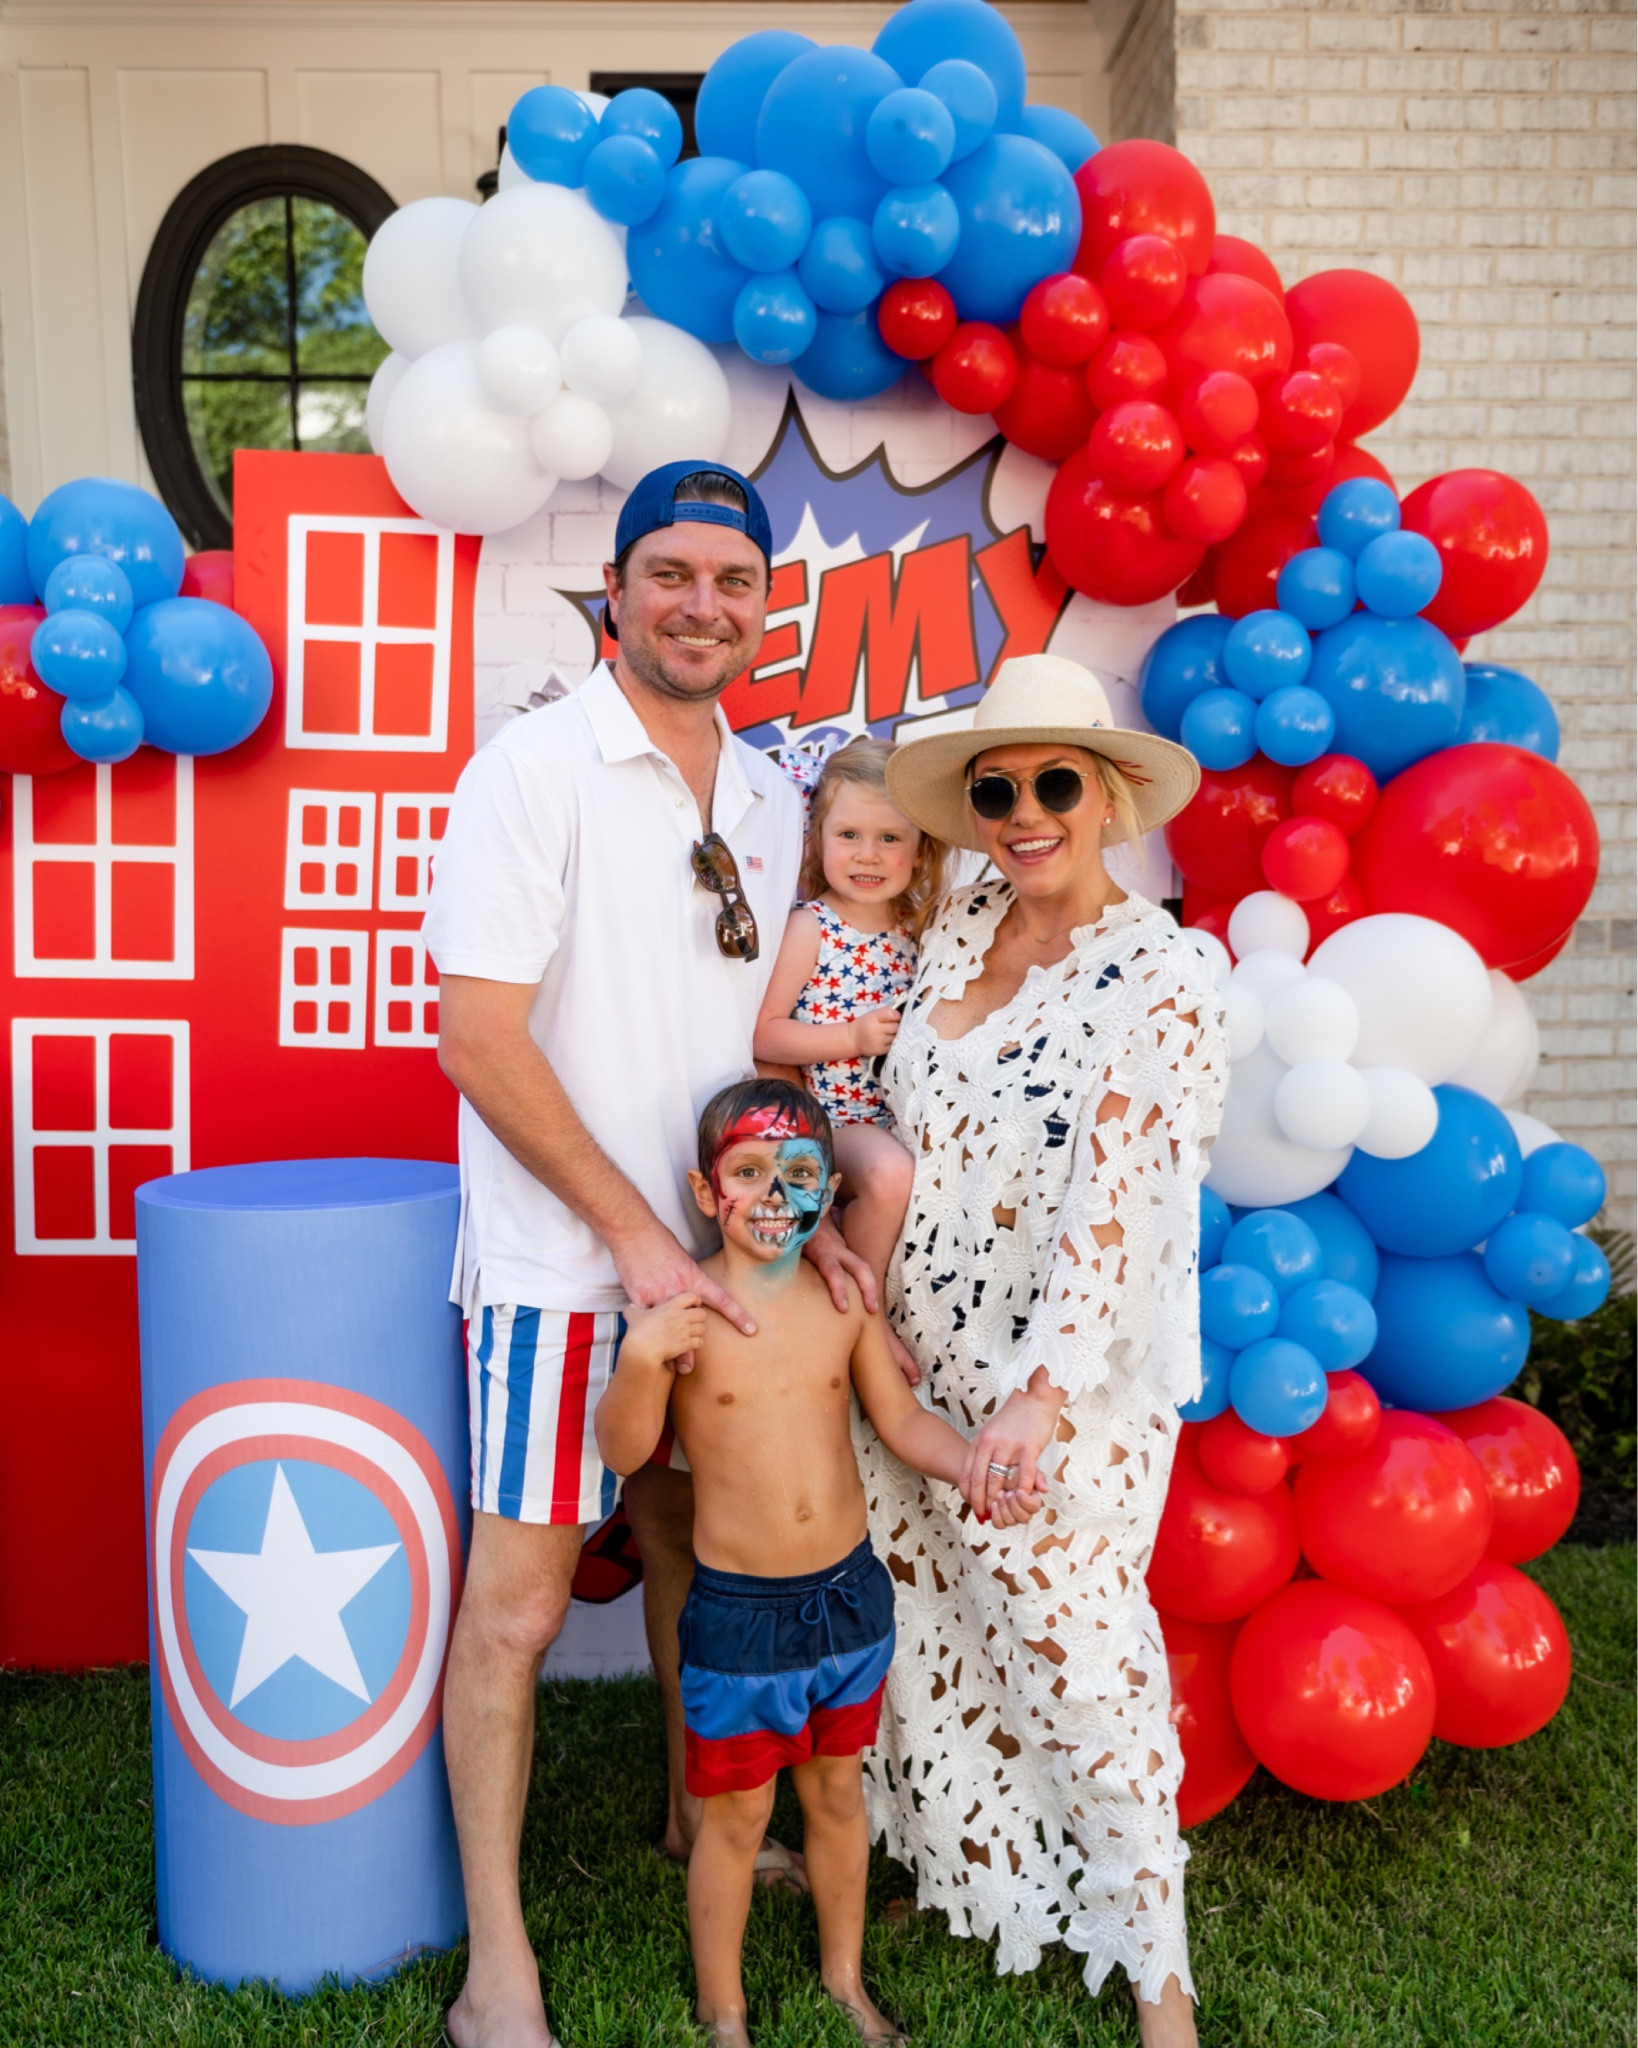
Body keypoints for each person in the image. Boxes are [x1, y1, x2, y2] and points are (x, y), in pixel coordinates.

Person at [423, 461, 873, 2048]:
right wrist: (634, 1239)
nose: (702, 604)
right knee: (521, 1613)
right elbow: (477, 1040)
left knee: (700, 1556)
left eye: (731, 580)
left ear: (766, 606)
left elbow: (768, 1042)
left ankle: (701, 1827)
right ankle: (498, 1967)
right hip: (566, 1273)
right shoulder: (530, 771)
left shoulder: (767, 798)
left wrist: (795, 1231)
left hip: (729, 1277)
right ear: (613, 591)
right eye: (668, 574)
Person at [837, 653, 1227, 2048]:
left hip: (1056, 1394)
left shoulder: (1170, 972)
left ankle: (1158, 1979)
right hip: (906, 1365)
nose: (1022, 810)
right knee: (930, 1630)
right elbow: (888, 1122)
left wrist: (1042, 1400)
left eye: (1053, 780)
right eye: (995, 788)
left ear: (1112, 796)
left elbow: (1118, 1201)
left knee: (1079, 1661)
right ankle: (962, 1871)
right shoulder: (954, 938)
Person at [593, 1079, 1044, 2048]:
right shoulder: (689, 1321)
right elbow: (627, 1454)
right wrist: (639, 1362)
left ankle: (844, 1977)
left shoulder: (841, 1302)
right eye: (747, 1171)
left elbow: (900, 1420)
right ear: (706, 1191)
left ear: (828, 1190)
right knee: (737, 1814)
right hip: (739, 1613)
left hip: (849, 1598)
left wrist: (966, 1457)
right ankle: (725, 2012)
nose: (772, 1193)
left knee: (839, 1792)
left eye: (799, 1174)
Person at [753, 739, 948, 1311]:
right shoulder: (812, 928)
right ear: (816, 840)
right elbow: (763, 1033)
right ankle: (861, 1313)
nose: (868, 855)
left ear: (920, 852)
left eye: (890, 838)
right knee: (889, 1176)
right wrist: (850, 1039)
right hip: (835, 1119)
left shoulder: (919, 931)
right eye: (849, 835)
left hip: (899, 1116)